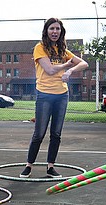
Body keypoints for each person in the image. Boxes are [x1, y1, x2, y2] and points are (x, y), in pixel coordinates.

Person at [20, 18, 88, 178]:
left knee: (56, 134)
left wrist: (71, 71)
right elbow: (49, 70)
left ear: (61, 31)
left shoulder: (62, 49)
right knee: (39, 133)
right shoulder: (40, 47)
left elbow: (83, 63)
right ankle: (29, 165)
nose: (55, 32)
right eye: (52, 29)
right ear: (46, 31)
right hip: (44, 94)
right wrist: (66, 65)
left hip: (62, 96)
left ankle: (50, 167)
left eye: (57, 29)